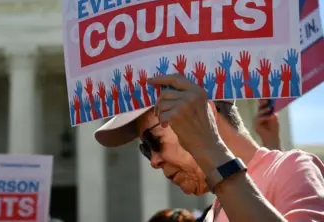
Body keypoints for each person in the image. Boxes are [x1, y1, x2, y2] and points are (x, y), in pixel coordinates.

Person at [94, 74, 324, 222]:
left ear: (207, 115)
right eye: (146, 149)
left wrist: (211, 151)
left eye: (154, 141)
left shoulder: (293, 168)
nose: (154, 161)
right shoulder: (212, 213)